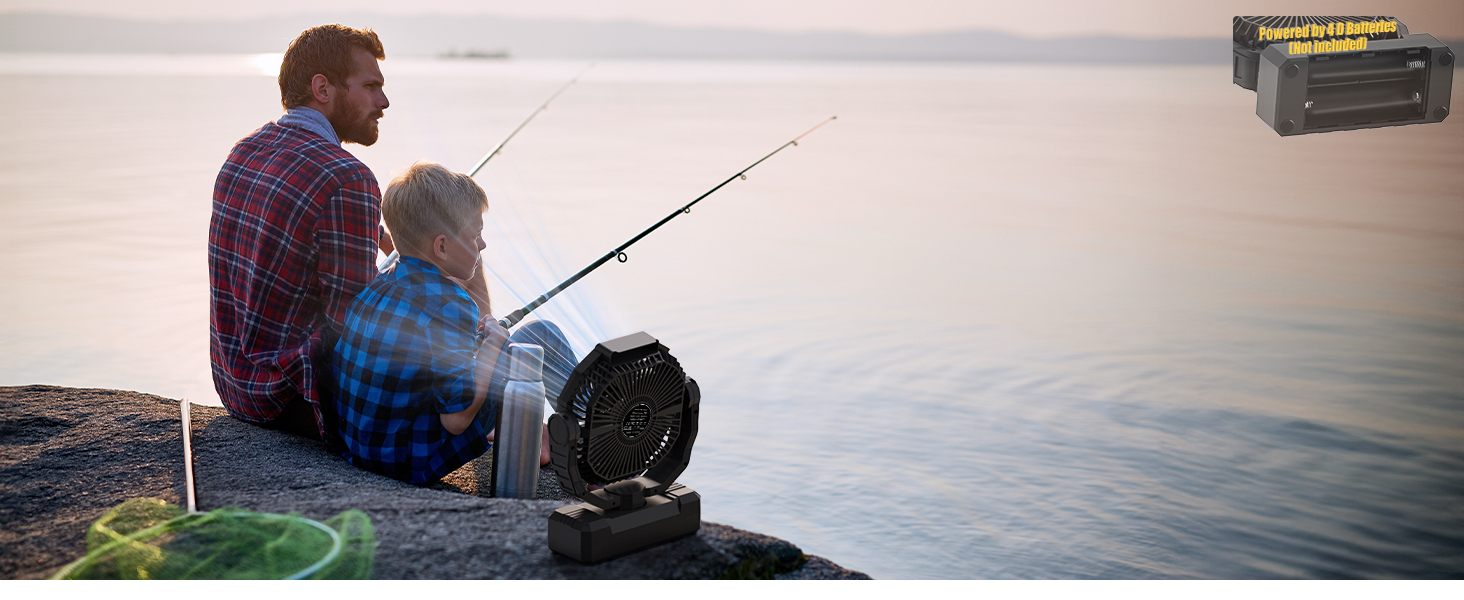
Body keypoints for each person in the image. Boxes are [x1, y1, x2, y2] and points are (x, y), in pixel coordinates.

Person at [331, 163, 578, 485]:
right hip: (412, 460)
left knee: (499, 353)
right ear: (442, 246)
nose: (483, 246)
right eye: (476, 236)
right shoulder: (452, 304)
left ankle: (542, 439)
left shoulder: (376, 286)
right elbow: (457, 420)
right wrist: (492, 344)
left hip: (365, 448)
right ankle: (593, 449)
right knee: (542, 336)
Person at [208, 24, 394, 442]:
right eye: (370, 86)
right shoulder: (348, 178)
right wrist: (426, 274)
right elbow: (355, 325)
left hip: (235, 387)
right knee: (511, 345)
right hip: (295, 399)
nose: (384, 101)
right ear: (322, 88)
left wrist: (372, 232)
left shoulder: (245, 150)